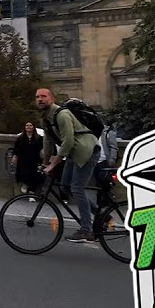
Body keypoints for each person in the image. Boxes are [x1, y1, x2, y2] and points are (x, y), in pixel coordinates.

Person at [36, 88, 101, 243]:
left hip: (87, 150)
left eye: (44, 96)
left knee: (77, 188)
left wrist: (54, 164)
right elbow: (48, 141)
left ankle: (86, 230)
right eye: (37, 97)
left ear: (52, 99)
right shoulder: (45, 118)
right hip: (74, 153)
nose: (40, 99)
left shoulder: (62, 114)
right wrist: (45, 163)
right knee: (65, 187)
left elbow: (69, 141)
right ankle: (100, 215)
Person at [11, 122, 44, 193]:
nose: (28, 127)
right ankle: (25, 184)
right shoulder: (20, 138)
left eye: (30, 125)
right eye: (27, 125)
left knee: (34, 175)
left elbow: (42, 149)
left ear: (33, 127)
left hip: (34, 159)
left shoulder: (39, 138)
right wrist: (14, 156)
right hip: (23, 159)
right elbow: (16, 148)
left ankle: (32, 191)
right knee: (23, 173)